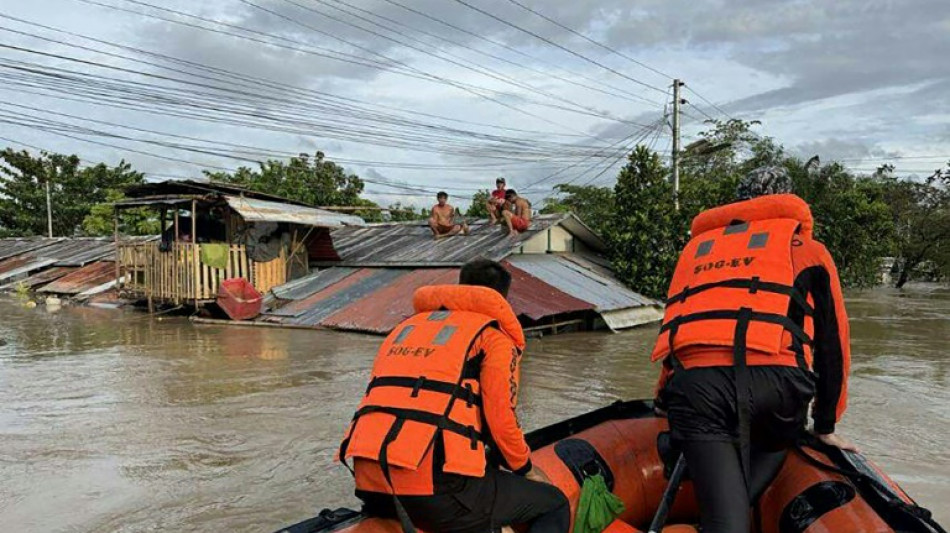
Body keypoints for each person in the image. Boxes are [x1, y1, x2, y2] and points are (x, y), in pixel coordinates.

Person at [651, 167, 856, 533]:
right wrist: (825, 424)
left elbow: (680, 329)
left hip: (696, 389)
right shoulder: (809, 250)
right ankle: (730, 510)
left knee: (724, 518)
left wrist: (663, 399)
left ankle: (721, 515)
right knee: (779, 439)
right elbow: (833, 344)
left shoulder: (698, 252)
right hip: (778, 389)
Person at [338, 259, 569, 533]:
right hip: (435, 490)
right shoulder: (492, 337)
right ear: (502, 297)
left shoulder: (407, 329)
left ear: (462, 286)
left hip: (370, 483)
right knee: (554, 503)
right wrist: (525, 469)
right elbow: (501, 420)